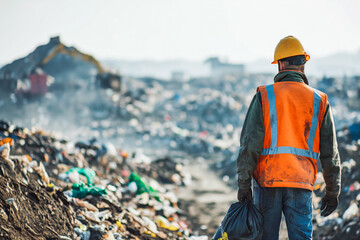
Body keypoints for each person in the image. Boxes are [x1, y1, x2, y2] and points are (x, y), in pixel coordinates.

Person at [236, 36, 341, 240]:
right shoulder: (319, 101)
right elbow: (330, 152)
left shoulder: (265, 96)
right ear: (303, 64)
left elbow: (249, 145)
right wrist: (332, 190)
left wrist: (243, 183)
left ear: (281, 64)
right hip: (301, 183)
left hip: (268, 182)